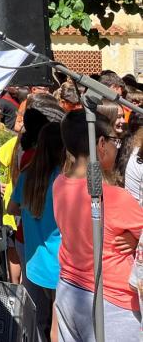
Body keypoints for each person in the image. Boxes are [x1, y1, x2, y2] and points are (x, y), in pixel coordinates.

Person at [54, 108, 143, 341]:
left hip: (69, 288)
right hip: (111, 300)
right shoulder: (114, 197)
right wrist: (137, 241)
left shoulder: (59, 184)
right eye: (114, 140)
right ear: (101, 144)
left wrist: (135, 240)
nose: (117, 146)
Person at [8, 122, 65, 342]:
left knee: (37, 321)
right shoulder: (64, 179)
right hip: (59, 263)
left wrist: (30, 211)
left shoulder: (27, 175)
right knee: (59, 325)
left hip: (34, 260)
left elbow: (11, 208)